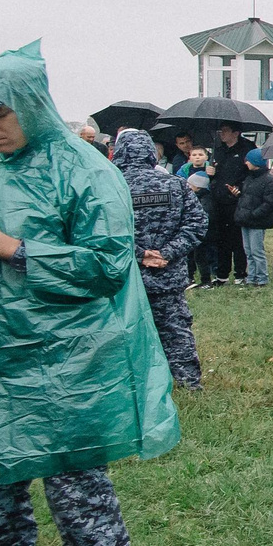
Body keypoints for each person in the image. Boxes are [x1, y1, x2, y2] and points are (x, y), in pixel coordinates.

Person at [0, 42, 179, 546]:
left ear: (29, 104)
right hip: (3, 354)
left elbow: (105, 265)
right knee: (0, 487)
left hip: (68, 359)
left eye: (0, 113)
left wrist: (14, 249)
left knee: (77, 490)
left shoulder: (85, 170)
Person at [111, 130, 207, 389]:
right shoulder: (176, 184)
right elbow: (197, 223)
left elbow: (102, 231)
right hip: (168, 275)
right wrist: (168, 252)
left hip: (125, 276)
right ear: (150, 153)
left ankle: (131, 385)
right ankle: (188, 382)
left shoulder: (111, 187)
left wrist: (139, 254)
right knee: (175, 330)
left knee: (124, 331)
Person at [205, 121, 250, 282]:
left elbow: (251, 173)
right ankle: (222, 274)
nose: (222, 134)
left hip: (237, 200)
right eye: (220, 131)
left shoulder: (246, 149)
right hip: (219, 200)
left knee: (237, 239)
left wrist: (241, 188)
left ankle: (240, 273)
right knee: (221, 238)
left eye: (225, 131)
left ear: (236, 133)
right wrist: (210, 173)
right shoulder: (218, 150)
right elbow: (214, 175)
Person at [235, 146, 273, 285]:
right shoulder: (249, 178)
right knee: (248, 251)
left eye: (248, 160)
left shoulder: (270, 181)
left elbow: (269, 203)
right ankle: (251, 277)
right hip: (246, 219)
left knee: (257, 251)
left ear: (256, 162)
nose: (246, 163)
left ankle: (262, 278)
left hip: (257, 221)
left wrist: (254, 214)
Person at [183, 145, 216, 286]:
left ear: (197, 187)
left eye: (190, 185)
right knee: (194, 256)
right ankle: (192, 277)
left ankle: (206, 280)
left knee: (201, 257)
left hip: (202, 234)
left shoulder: (204, 200)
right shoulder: (199, 196)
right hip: (198, 233)